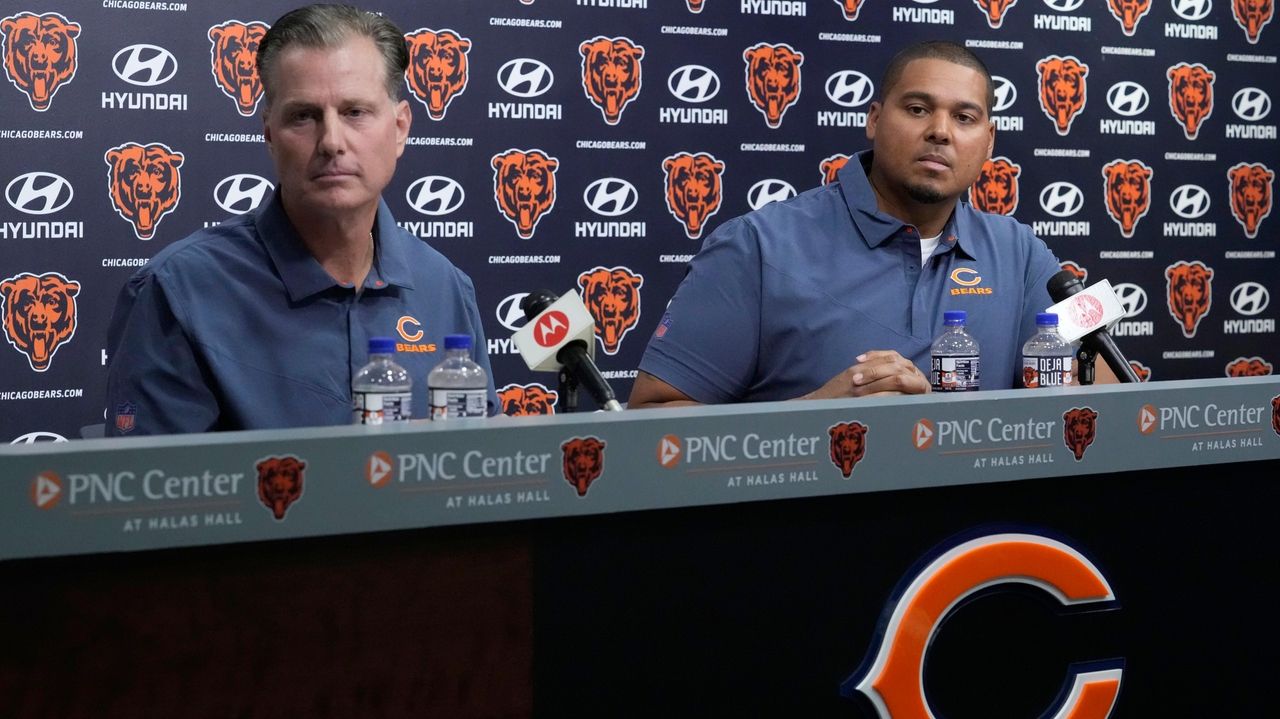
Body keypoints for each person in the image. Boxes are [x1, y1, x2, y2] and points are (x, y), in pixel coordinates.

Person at [629, 41, 1114, 409]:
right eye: (918, 109)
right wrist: (816, 416)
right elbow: (654, 422)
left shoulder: (1023, 252)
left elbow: (1113, 389)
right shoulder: (756, 246)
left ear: (988, 143)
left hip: (974, 535)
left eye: (964, 117)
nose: (940, 131)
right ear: (875, 120)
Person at [104, 4, 496, 435]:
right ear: (269, 134)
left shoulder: (446, 288)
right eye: (303, 116)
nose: (332, 141)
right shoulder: (177, 293)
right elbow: (156, 492)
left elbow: (478, 473)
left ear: (400, 127)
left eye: (355, 112)